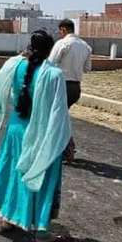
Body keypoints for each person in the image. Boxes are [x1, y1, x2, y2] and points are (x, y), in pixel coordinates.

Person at [0, 30, 71, 242]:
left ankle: (8, 218)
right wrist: (66, 140)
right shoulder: (54, 74)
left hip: (16, 130)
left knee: (13, 173)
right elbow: (59, 113)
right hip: (40, 135)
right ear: (50, 50)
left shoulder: (15, 65)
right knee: (41, 178)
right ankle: (41, 231)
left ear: (30, 46)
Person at [47, 19, 92, 162]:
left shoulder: (62, 44)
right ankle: (65, 148)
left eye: (60, 31)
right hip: (76, 88)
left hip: (61, 85)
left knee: (55, 118)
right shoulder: (85, 46)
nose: (59, 34)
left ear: (63, 30)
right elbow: (87, 68)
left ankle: (67, 148)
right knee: (60, 117)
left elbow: (50, 64)